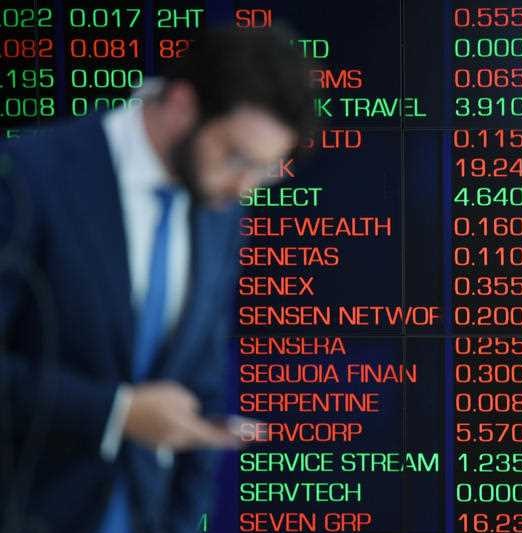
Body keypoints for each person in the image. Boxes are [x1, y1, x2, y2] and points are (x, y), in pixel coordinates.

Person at [0, 25, 314, 533]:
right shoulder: (31, 175)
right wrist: (115, 413)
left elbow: (201, 382)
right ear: (182, 105)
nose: (244, 187)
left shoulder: (219, 208)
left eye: (263, 172)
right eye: (236, 157)